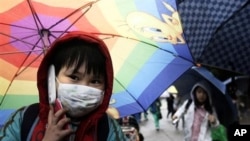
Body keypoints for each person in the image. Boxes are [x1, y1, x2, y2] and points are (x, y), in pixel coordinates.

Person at [0, 31, 127, 141]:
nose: (83, 88)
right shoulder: (24, 119)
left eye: (94, 81)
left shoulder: (108, 128)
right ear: (51, 78)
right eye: (74, 77)